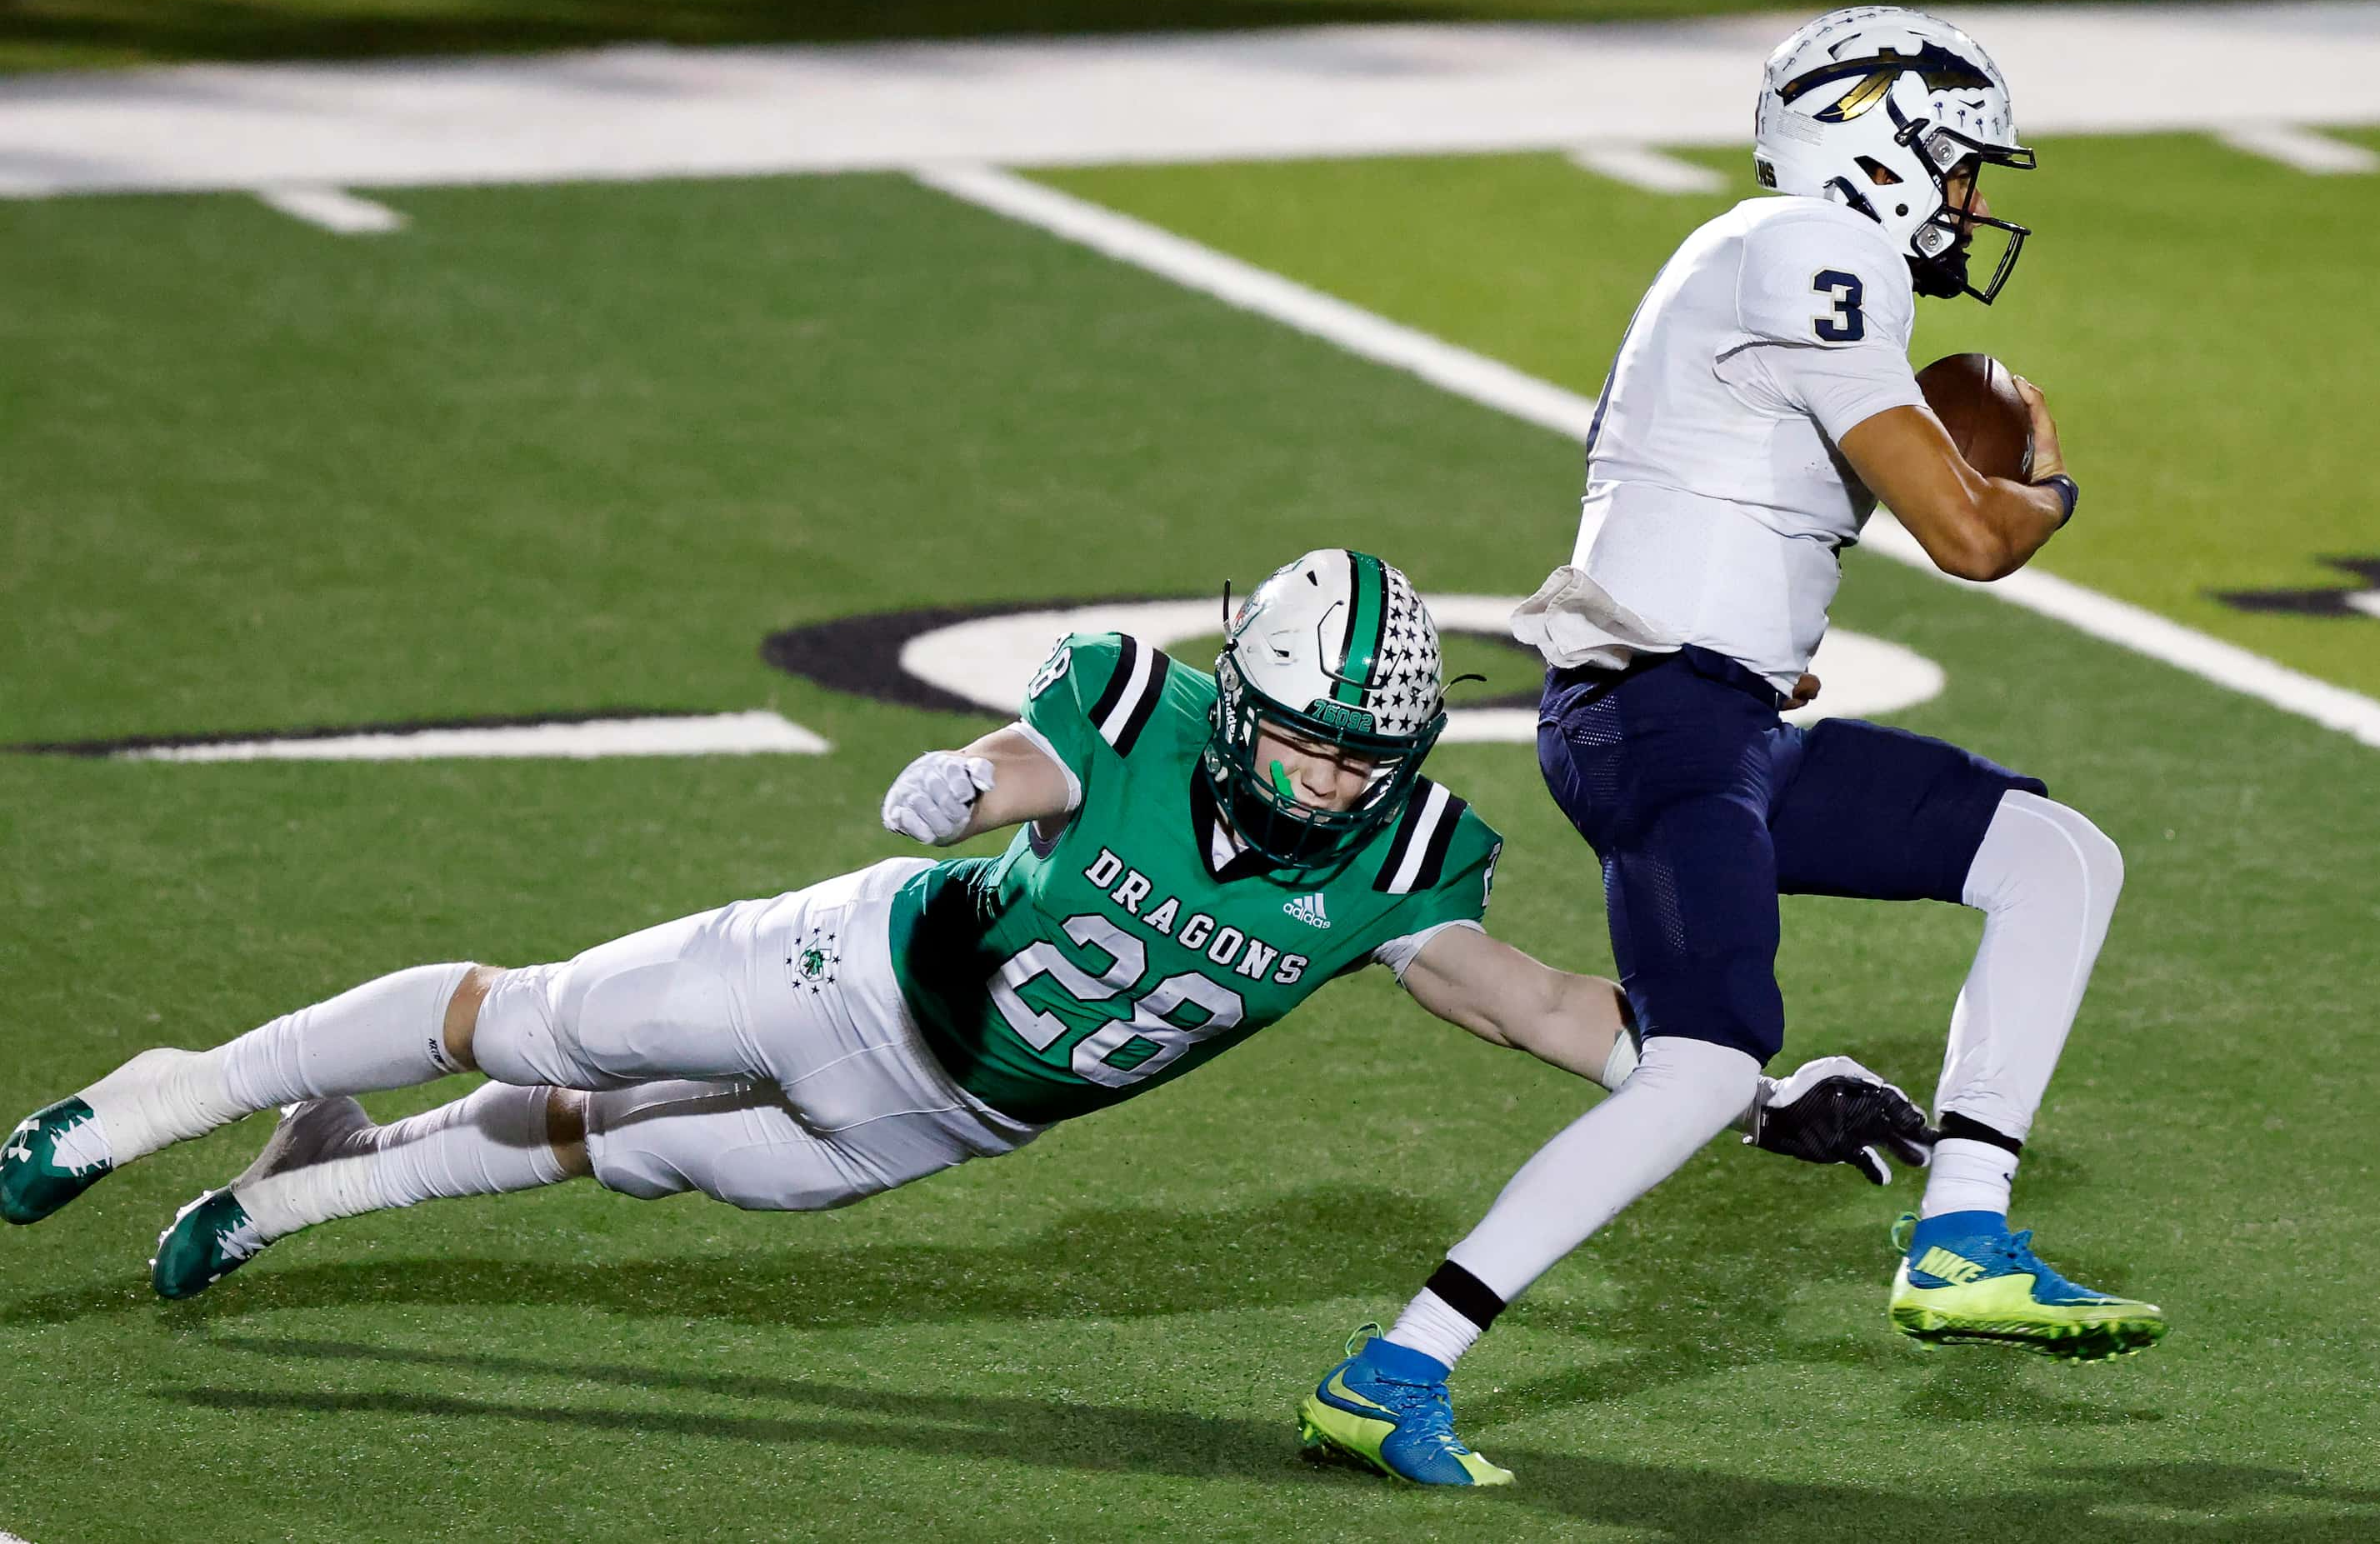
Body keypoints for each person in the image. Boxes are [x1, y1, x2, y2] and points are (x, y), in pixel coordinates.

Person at [2, 551, 1927, 1317]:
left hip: (948, 1120)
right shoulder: (1143, 712)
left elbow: (1537, 1010)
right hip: (854, 963)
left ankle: (289, 1201)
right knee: (535, 1030)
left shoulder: (1399, 862)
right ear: (1245, 704)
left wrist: (1737, 1091)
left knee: (635, 1157)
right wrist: (962, 781)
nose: (1341, 785)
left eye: (1373, 756)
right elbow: (1028, 765)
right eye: (1318, 745)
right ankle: (162, 1100)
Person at [1298, 7, 2163, 1489]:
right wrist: (2048, 485)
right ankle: (1396, 1366)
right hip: (1663, 722)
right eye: (1952, 163)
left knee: (2054, 853)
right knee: (1700, 1068)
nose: (1965, 199)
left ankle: (1961, 1233)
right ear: (1879, 144)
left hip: (1724, 718)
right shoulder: (1803, 249)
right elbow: (1970, 534)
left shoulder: (1786, 264)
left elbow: (1721, 492)